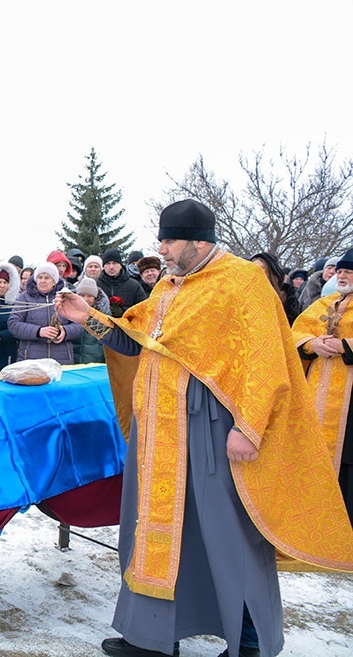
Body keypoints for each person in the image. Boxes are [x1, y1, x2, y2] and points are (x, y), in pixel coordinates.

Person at [54, 199, 353, 657]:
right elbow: (135, 341)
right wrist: (86, 317)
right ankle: (150, 637)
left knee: (229, 531)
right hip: (157, 434)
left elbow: (266, 361)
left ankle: (248, 643)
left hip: (213, 429)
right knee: (150, 528)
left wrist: (249, 428)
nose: (163, 249)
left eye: (170, 240)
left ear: (199, 240)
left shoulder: (243, 282)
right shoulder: (170, 287)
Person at [291, 247, 353, 523]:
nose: (342, 275)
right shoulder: (323, 305)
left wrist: (344, 346)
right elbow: (295, 333)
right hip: (318, 394)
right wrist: (312, 343)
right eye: (340, 270)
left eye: (349, 271)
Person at [7, 263, 81, 364]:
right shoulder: (25, 298)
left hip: (61, 358)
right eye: (40, 277)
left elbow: (79, 324)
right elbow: (13, 324)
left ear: (54, 281)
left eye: (47, 278)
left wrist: (65, 331)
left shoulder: (66, 297)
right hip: (31, 359)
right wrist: (38, 331)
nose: (42, 281)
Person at [250, 252, 300, 324]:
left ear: (270, 272)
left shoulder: (287, 298)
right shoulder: (243, 294)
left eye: (262, 268)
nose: (257, 270)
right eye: (253, 267)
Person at [97, 248, 147, 315]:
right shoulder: (96, 284)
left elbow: (143, 309)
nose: (111, 267)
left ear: (120, 265)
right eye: (108, 263)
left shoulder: (134, 285)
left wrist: (123, 311)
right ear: (103, 266)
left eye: (115, 263)